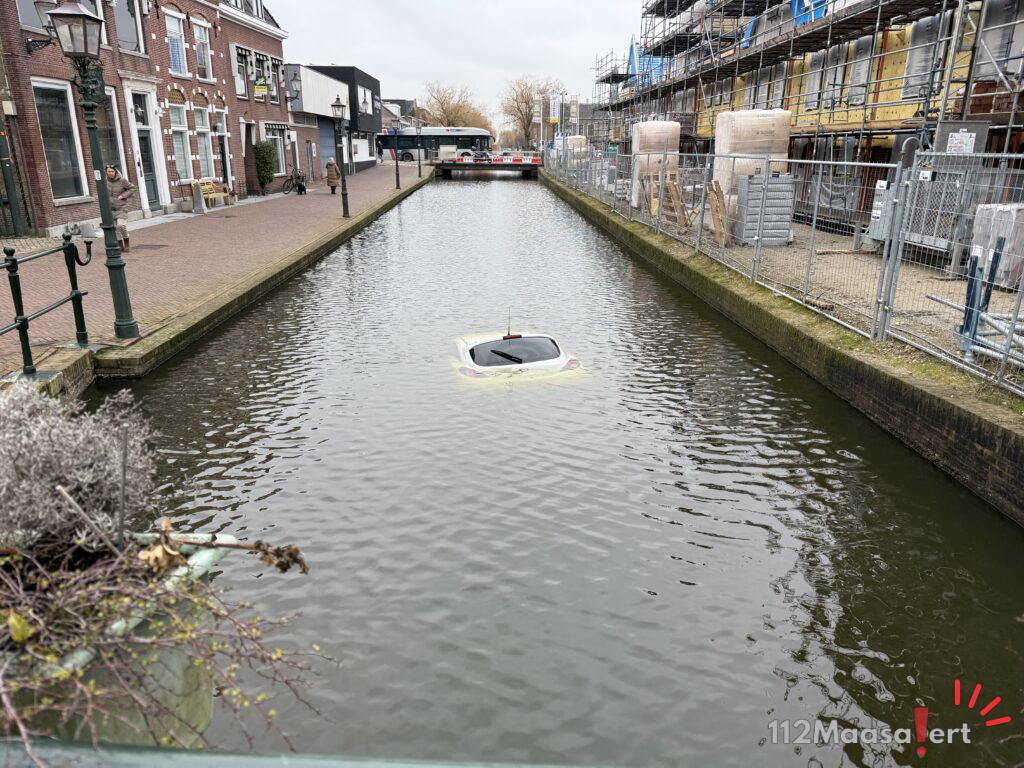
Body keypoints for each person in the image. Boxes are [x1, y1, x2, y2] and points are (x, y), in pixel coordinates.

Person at [105, 165, 135, 252]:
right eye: (108, 172)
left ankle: (127, 243)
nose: (110, 173)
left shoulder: (122, 180)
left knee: (121, 225)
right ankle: (120, 246)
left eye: (112, 171)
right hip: (111, 208)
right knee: (115, 228)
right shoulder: (105, 181)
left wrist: (123, 195)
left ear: (116, 172)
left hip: (121, 207)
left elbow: (132, 188)